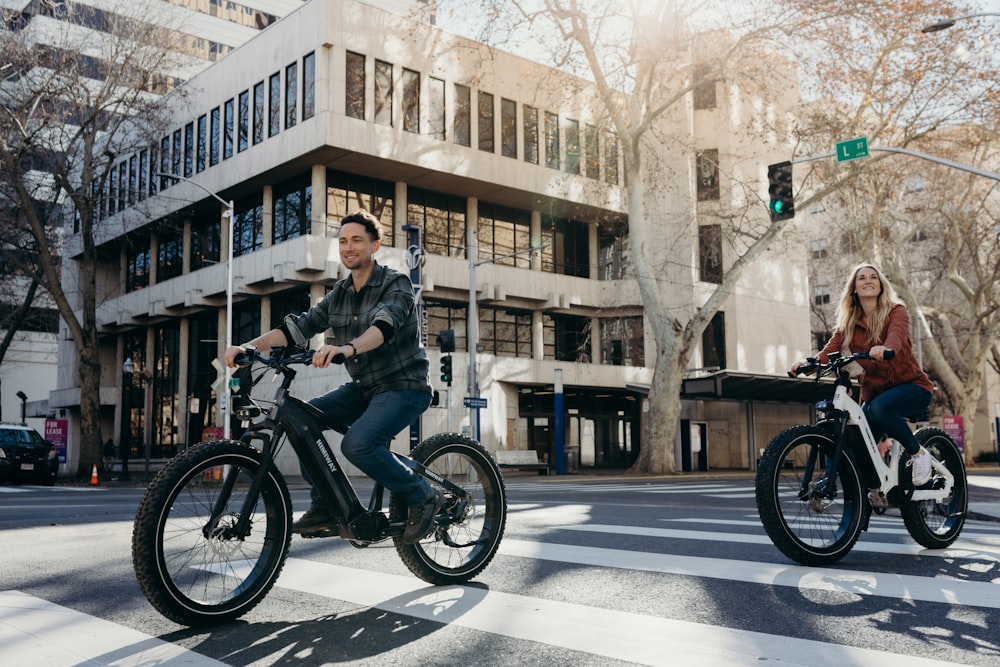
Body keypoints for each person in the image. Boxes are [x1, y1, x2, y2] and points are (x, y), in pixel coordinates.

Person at [224, 210, 440, 543]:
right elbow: (297, 328)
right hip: (365, 387)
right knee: (301, 420)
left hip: (404, 386)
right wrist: (247, 347)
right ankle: (324, 505)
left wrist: (346, 349)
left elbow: (382, 327)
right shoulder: (339, 293)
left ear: (375, 245)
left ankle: (423, 496)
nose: (348, 247)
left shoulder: (394, 283)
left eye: (357, 240)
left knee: (358, 444)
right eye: (342, 241)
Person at [791, 262, 935, 485]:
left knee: (879, 409)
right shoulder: (848, 324)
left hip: (912, 387)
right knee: (854, 442)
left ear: (880, 286)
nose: (868, 280)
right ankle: (868, 490)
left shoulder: (896, 311)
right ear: (854, 289)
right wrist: (807, 364)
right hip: (876, 395)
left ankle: (919, 454)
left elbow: (896, 336)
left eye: (873, 277)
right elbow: (829, 352)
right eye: (862, 278)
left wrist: (886, 348)